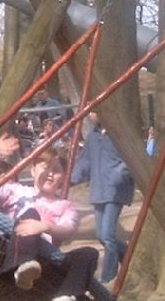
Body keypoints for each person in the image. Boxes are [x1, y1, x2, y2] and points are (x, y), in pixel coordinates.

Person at [0, 153, 98, 300]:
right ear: (33, 170)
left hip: (45, 262)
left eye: (57, 171)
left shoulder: (65, 206)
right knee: (30, 213)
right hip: (11, 254)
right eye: (45, 168)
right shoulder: (16, 191)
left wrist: (45, 227)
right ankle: (22, 265)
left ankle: (65, 296)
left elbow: (67, 230)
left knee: (89, 253)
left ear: (64, 177)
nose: (50, 174)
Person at [70, 114, 133, 283]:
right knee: (101, 235)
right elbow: (85, 161)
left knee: (107, 236)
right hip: (98, 192)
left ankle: (108, 277)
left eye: (95, 110)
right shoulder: (92, 137)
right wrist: (72, 178)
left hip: (115, 191)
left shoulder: (120, 135)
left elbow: (131, 160)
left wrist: (118, 175)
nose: (91, 114)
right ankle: (128, 255)